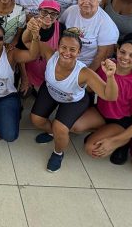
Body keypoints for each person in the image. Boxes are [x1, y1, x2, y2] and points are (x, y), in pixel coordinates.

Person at [31, 30, 119, 173]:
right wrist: (34, 35)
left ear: (79, 52)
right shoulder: (50, 54)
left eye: (72, 49)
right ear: (57, 47)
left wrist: (110, 77)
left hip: (73, 100)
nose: (67, 52)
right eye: (63, 47)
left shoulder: (84, 72)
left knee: (60, 128)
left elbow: (110, 96)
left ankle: (58, 153)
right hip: (51, 90)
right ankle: (51, 132)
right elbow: (29, 43)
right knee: (36, 120)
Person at [76, 33, 132, 164]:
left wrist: (113, 141)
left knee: (91, 149)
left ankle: (124, 140)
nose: (125, 57)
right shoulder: (106, 66)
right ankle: (103, 133)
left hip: (120, 121)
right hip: (101, 112)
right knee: (74, 126)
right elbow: (90, 89)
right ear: (117, 50)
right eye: (123, 52)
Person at [60, 0, 119, 71]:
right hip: (64, 57)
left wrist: (87, 74)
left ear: (99, 1)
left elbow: (102, 55)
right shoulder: (71, 11)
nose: (86, 2)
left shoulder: (105, 23)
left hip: (85, 65)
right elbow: (58, 29)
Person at [20, 0, 64, 93]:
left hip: (50, 76)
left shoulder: (61, 28)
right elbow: (20, 56)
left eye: (53, 14)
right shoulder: (30, 27)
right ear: (39, 12)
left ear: (57, 16)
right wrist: (25, 79)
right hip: (31, 74)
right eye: (44, 12)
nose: (48, 16)